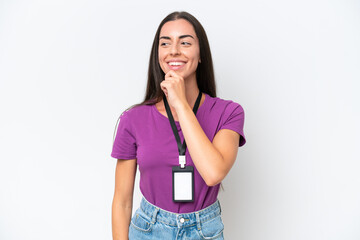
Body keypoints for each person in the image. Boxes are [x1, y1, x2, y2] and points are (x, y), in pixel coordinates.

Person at [111, 11, 246, 240]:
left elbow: (213, 173)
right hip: (148, 230)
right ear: (158, 54)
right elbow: (122, 202)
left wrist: (180, 104)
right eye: (165, 43)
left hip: (205, 231)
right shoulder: (132, 119)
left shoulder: (228, 112)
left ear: (200, 53)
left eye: (185, 42)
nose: (174, 50)